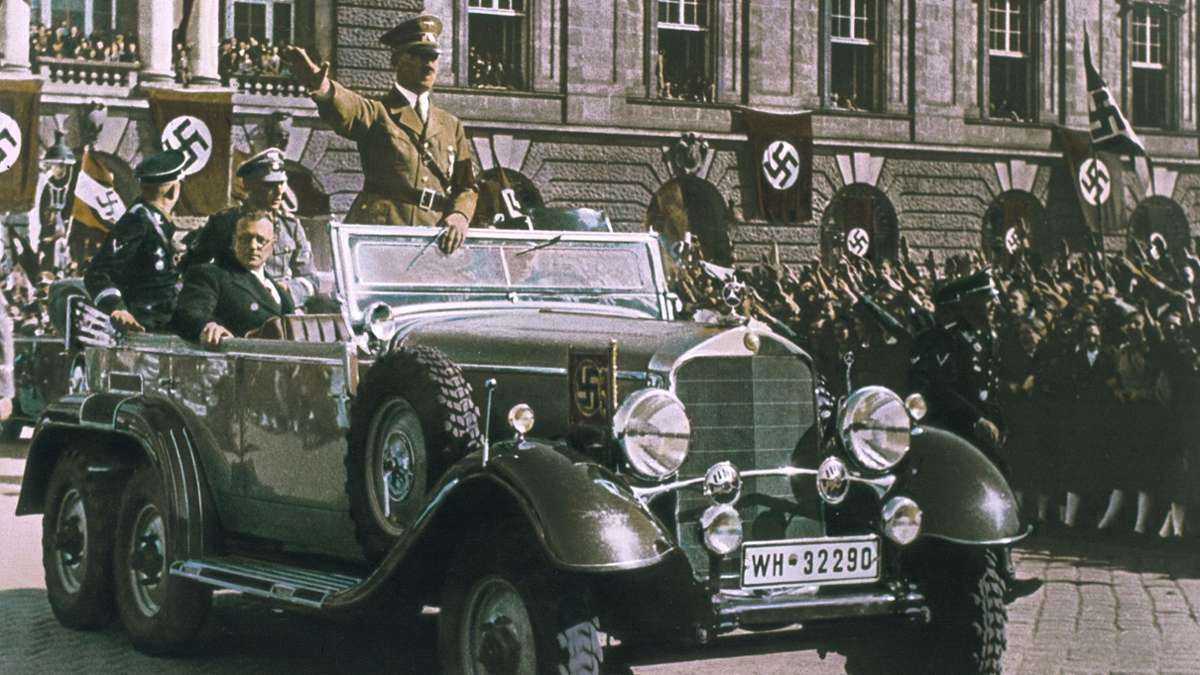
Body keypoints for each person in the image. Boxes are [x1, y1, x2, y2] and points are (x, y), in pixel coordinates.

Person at [282, 14, 477, 253]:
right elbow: (349, 108)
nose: (428, 63)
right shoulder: (378, 113)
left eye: (433, 56)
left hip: (432, 239)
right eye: (417, 55)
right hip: (382, 236)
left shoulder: (451, 125)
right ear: (397, 61)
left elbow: (467, 186)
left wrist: (460, 215)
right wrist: (323, 88)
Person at [180, 148, 318, 307]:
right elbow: (192, 268)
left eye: (281, 183)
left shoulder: (290, 225)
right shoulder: (224, 223)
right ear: (249, 185)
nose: (279, 192)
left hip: (280, 306)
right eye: (269, 185)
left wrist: (288, 289)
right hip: (237, 307)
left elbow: (310, 279)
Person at [84, 149, 188, 333]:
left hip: (164, 323)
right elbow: (97, 272)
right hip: (143, 326)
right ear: (173, 191)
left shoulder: (157, 221)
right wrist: (116, 308)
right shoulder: (137, 220)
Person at [907, 269, 1005, 462]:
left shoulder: (988, 336)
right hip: (961, 429)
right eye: (988, 300)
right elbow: (940, 387)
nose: (995, 304)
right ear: (972, 302)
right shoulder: (949, 339)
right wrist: (975, 418)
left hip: (988, 428)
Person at [174, 211, 295, 348]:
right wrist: (208, 326)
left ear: (273, 244)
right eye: (245, 239)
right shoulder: (211, 275)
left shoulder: (277, 290)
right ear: (234, 241)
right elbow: (190, 312)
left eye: (261, 240)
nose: (253, 246)